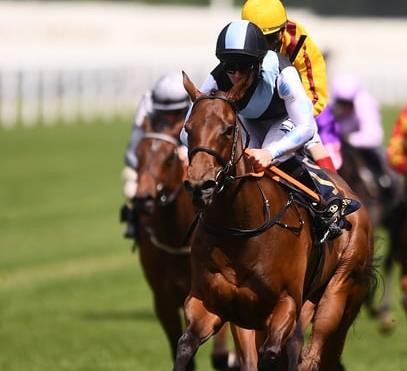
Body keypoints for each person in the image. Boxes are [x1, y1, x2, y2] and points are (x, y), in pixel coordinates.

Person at [191, 20, 354, 241]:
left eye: (244, 67)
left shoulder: (284, 73)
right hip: (249, 120)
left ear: (259, 61)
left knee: (271, 154)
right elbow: (188, 127)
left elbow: (307, 127)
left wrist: (271, 153)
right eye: (230, 67)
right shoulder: (218, 76)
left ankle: (329, 201)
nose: (236, 75)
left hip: (285, 119)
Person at [241, 0, 339, 170]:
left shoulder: (299, 44)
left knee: (307, 141)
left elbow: (313, 96)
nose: (265, 47)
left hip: (288, 111)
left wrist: (297, 119)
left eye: (270, 38)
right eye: (258, 39)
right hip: (250, 113)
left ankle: (336, 192)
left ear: (282, 31)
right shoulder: (236, 41)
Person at [119, 72, 190, 239]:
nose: (171, 118)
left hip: (185, 154)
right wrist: (146, 168)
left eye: (176, 112)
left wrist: (185, 154)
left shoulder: (195, 103)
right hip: (153, 158)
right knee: (130, 184)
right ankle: (135, 222)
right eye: (166, 113)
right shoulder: (147, 105)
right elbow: (133, 150)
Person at [329, 73, 394, 191]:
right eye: (341, 103)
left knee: (380, 162)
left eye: (347, 103)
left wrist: (349, 139)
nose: (344, 107)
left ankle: (384, 180)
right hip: (338, 143)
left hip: (362, 146)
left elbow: (374, 136)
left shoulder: (365, 103)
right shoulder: (331, 103)